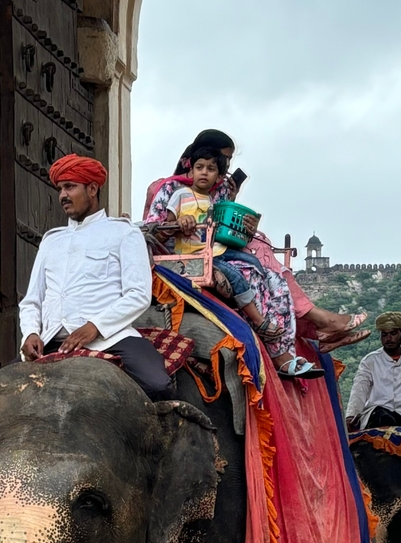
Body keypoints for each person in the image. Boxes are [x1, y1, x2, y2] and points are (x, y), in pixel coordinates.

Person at [144, 128, 369, 351]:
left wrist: (241, 218)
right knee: (258, 252)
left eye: (222, 164)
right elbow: (153, 230)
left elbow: (223, 226)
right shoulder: (171, 188)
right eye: (222, 159)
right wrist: (180, 226)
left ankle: (312, 329)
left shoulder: (219, 187)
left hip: (218, 249)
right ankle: (311, 324)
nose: (225, 166)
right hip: (186, 254)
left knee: (270, 269)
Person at [19, 154, 174, 401]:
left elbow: (138, 295)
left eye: (70, 187)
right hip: (51, 341)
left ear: (92, 189)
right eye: (60, 189)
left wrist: (95, 327)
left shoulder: (124, 233)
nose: (63, 195)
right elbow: (31, 301)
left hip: (110, 339)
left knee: (157, 385)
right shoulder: (51, 240)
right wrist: (29, 333)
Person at [164, 146, 320, 379]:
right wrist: (182, 222)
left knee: (269, 275)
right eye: (199, 168)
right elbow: (166, 226)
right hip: (197, 256)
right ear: (191, 171)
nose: (204, 173)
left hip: (218, 251)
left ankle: (284, 347)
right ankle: (260, 323)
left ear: (218, 176)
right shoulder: (179, 194)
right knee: (240, 275)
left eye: (211, 169)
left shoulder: (213, 202)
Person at [345, 312, 401, 433]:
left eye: (393, 333)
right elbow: (359, 390)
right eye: (384, 335)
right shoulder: (370, 360)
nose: (388, 338)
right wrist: (351, 416)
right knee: (383, 417)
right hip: (376, 415)